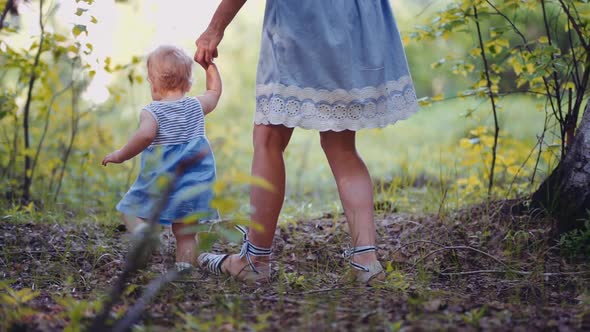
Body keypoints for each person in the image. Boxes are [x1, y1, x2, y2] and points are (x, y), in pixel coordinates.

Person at [195, 0, 419, 284]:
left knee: (268, 139)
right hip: (352, 19)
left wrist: (215, 28)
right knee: (342, 146)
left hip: (301, 20)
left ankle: (254, 260)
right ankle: (366, 262)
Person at [102, 45, 222, 271]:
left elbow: (145, 135)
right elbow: (214, 93)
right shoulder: (196, 106)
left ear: (153, 83)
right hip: (195, 184)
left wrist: (120, 155)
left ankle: (142, 233)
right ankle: (183, 271)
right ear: (188, 84)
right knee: (186, 233)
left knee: (129, 210)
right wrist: (210, 67)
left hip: (162, 180)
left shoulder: (152, 112)